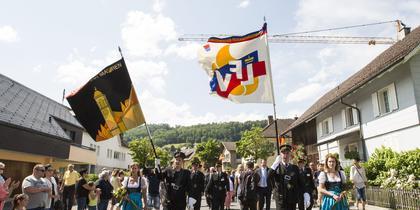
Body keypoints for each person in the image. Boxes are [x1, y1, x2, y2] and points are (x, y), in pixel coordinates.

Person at [270, 144, 311, 210]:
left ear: (290, 154)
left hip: (292, 198)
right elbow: (268, 176)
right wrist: (275, 164)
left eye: (287, 153)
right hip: (281, 199)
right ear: (280, 154)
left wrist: (306, 193)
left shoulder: (295, 168)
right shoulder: (276, 167)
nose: (285, 155)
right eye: (283, 153)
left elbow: (301, 182)